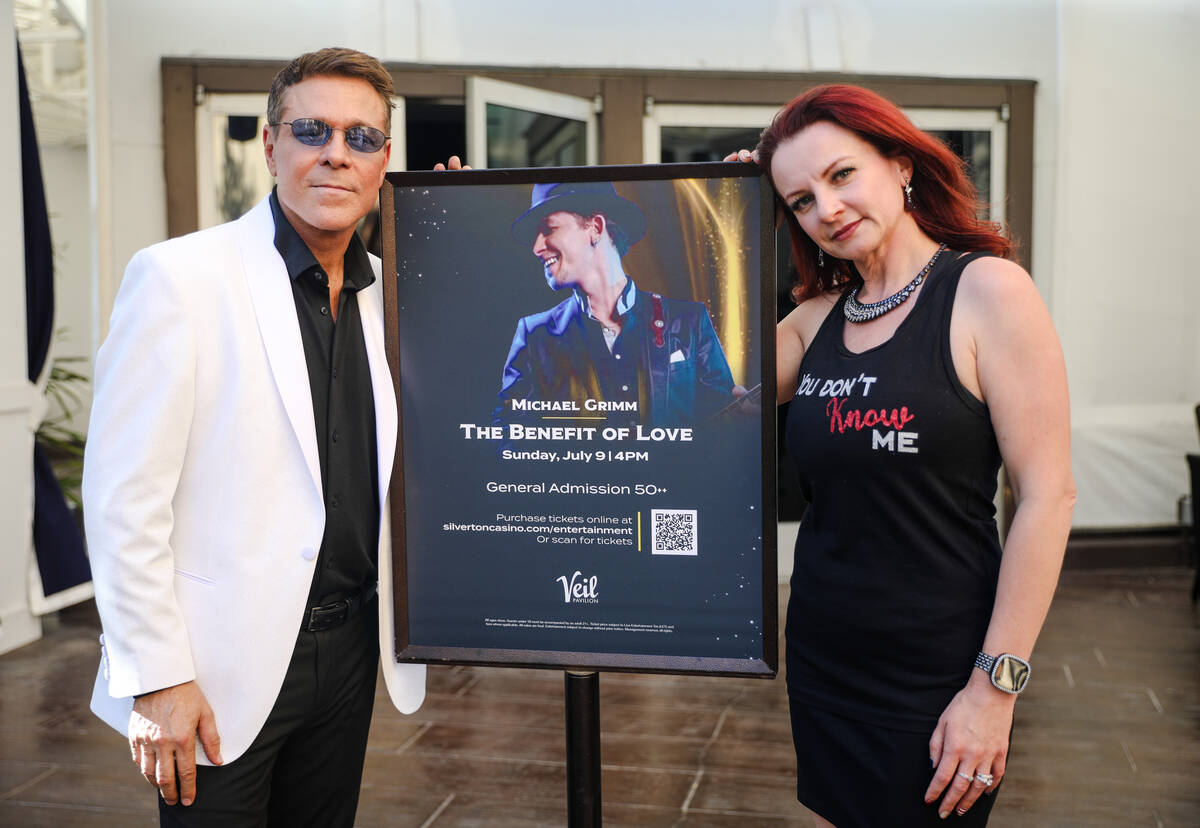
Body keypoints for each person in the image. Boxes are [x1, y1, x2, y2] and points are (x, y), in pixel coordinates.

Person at [83, 47, 425, 827]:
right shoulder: (180, 278)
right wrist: (158, 675)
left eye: (361, 138)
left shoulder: (392, 303)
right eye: (312, 130)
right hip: (215, 668)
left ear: (382, 163)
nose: (336, 152)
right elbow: (120, 498)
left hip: (351, 654)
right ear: (271, 147)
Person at [742, 84, 1074, 826]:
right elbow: (691, 380)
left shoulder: (988, 292)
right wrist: (722, 218)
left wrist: (994, 690)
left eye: (840, 176)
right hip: (826, 654)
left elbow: (1048, 496)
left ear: (900, 166)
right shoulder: (814, 321)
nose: (824, 209)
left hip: (941, 665)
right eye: (798, 200)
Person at [496, 181, 743, 427]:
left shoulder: (690, 322)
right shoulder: (534, 335)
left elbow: (722, 425)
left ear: (595, 228)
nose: (536, 247)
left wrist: (744, 419)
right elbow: (507, 433)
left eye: (548, 228)